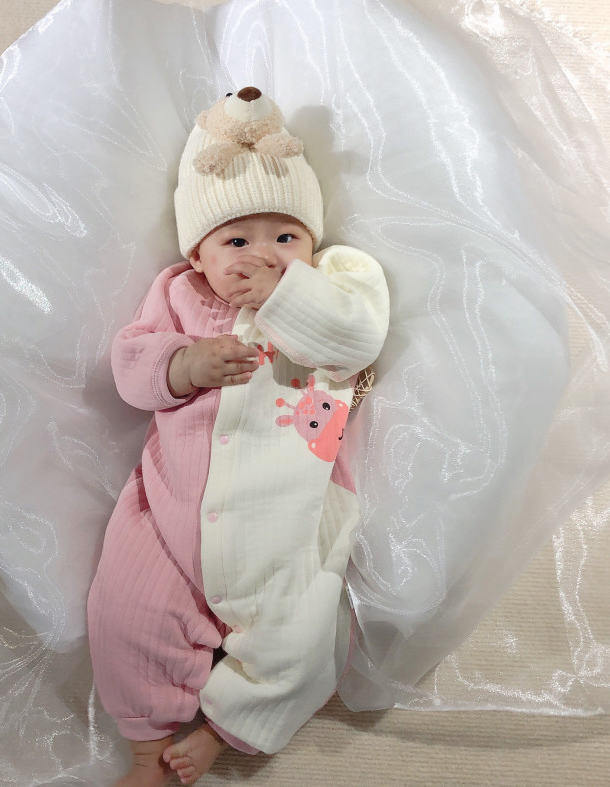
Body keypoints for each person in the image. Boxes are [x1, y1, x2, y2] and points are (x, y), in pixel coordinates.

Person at [87, 87, 390, 786]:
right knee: (124, 609)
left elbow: (356, 337)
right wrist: (184, 364)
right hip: (170, 511)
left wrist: (288, 298)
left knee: (303, 637)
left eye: (286, 238)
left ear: (313, 241)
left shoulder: (340, 280)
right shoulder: (178, 293)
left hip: (286, 515)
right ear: (197, 253)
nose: (264, 257)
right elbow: (133, 365)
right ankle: (146, 753)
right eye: (236, 241)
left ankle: (225, 729)